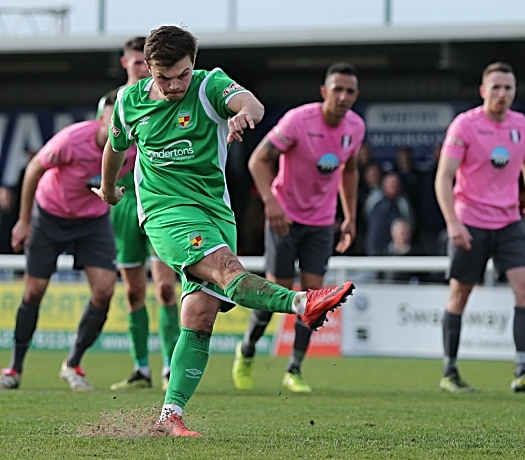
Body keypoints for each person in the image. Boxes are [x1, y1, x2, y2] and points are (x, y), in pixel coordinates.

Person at [93, 25, 355, 437]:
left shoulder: (208, 84)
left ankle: (169, 417)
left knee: (199, 316)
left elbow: (250, 102)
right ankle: (304, 302)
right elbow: (115, 146)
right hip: (164, 212)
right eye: (164, 77)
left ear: (192, 64)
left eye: (182, 73)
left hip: (216, 213)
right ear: (147, 69)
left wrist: (244, 114)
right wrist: (108, 189)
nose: (175, 84)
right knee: (226, 270)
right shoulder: (129, 101)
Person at [232, 62, 364, 393]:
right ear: (324, 92)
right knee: (277, 290)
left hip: (320, 223)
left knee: (314, 294)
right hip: (285, 218)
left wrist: (350, 216)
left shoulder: (356, 128)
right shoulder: (298, 120)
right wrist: (271, 204)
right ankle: (247, 349)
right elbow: (257, 160)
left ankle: (294, 368)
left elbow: (349, 170)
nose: (343, 97)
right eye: (338, 90)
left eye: (350, 91)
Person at [0, 90, 136, 391]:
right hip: (50, 215)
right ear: (101, 118)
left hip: (93, 221)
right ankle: (14, 368)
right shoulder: (72, 140)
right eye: (113, 118)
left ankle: (73, 364)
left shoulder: (135, 147)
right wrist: (24, 221)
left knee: (104, 291)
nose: (119, 126)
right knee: (34, 291)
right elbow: (35, 169)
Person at [434, 61, 525, 393]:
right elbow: (443, 177)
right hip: (470, 222)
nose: (503, 94)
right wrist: (453, 222)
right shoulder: (465, 125)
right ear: (483, 91)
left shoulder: (522, 126)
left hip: (508, 222)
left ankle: (522, 371)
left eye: (509, 88)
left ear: (515, 92)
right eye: (497, 87)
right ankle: (450, 372)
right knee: (460, 295)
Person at [102, 36, 181, 392]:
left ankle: (169, 367)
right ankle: (140, 368)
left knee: (165, 288)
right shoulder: (115, 103)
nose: (138, 68)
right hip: (122, 202)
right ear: (127, 64)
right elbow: (104, 146)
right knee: (134, 292)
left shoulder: (172, 97)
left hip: (158, 199)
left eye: (142, 63)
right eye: (133, 62)